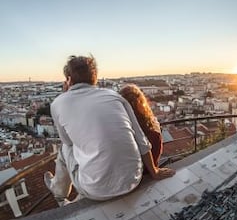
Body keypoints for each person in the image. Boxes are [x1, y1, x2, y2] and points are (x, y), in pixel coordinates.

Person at [44, 55, 175, 205]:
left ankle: (58, 192)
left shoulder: (58, 103)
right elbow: (141, 140)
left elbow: (67, 141)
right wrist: (155, 172)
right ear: (95, 77)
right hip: (133, 180)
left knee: (64, 148)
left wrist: (66, 95)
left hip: (96, 190)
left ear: (69, 79)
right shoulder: (114, 96)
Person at [119, 84, 165, 170]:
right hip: (144, 175)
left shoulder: (117, 130)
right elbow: (154, 162)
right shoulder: (152, 133)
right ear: (142, 103)